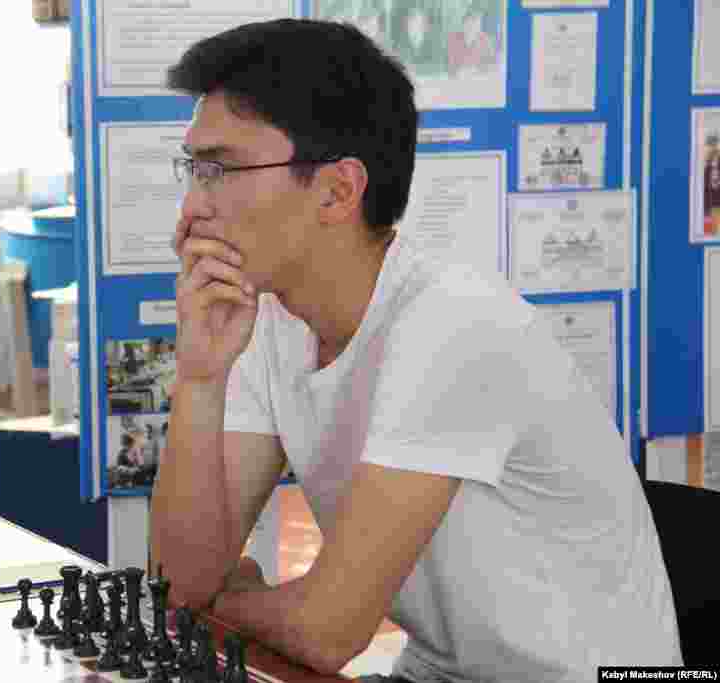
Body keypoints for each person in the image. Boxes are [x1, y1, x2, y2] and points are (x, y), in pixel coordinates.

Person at [150, 17, 681, 682]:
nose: (191, 210)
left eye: (220, 170)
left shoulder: (452, 321)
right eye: (193, 169)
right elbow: (181, 579)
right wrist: (200, 377)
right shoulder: (268, 315)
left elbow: (325, 631)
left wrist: (229, 600)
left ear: (338, 191)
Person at [446, 4, 496, 76]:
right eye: (470, 22)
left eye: (477, 22)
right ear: (463, 24)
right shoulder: (453, 40)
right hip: (458, 79)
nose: (472, 26)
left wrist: (476, 71)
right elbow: (450, 66)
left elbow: (492, 66)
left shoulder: (486, 41)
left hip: (479, 79)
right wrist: (458, 72)